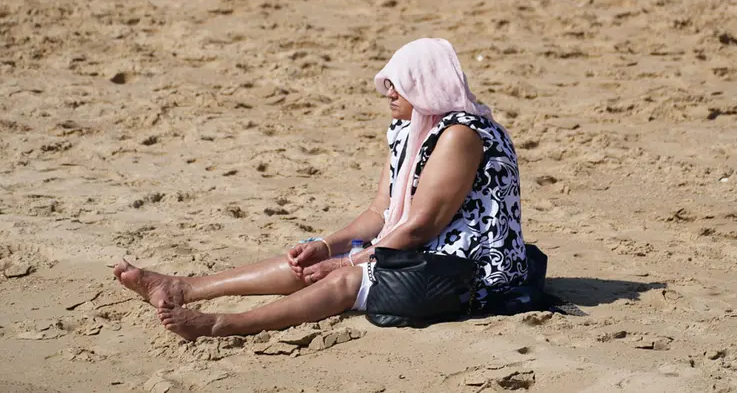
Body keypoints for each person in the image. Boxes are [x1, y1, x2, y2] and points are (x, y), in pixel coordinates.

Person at [113, 38, 528, 340]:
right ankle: (182, 288)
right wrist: (328, 248)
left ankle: (227, 324)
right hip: (425, 250)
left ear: (427, 85)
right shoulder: (408, 130)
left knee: (348, 279)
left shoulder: (461, 135)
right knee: (309, 260)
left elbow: (419, 227)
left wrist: (348, 265)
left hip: (472, 274)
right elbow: (379, 214)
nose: (388, 93)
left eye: (398, 84)